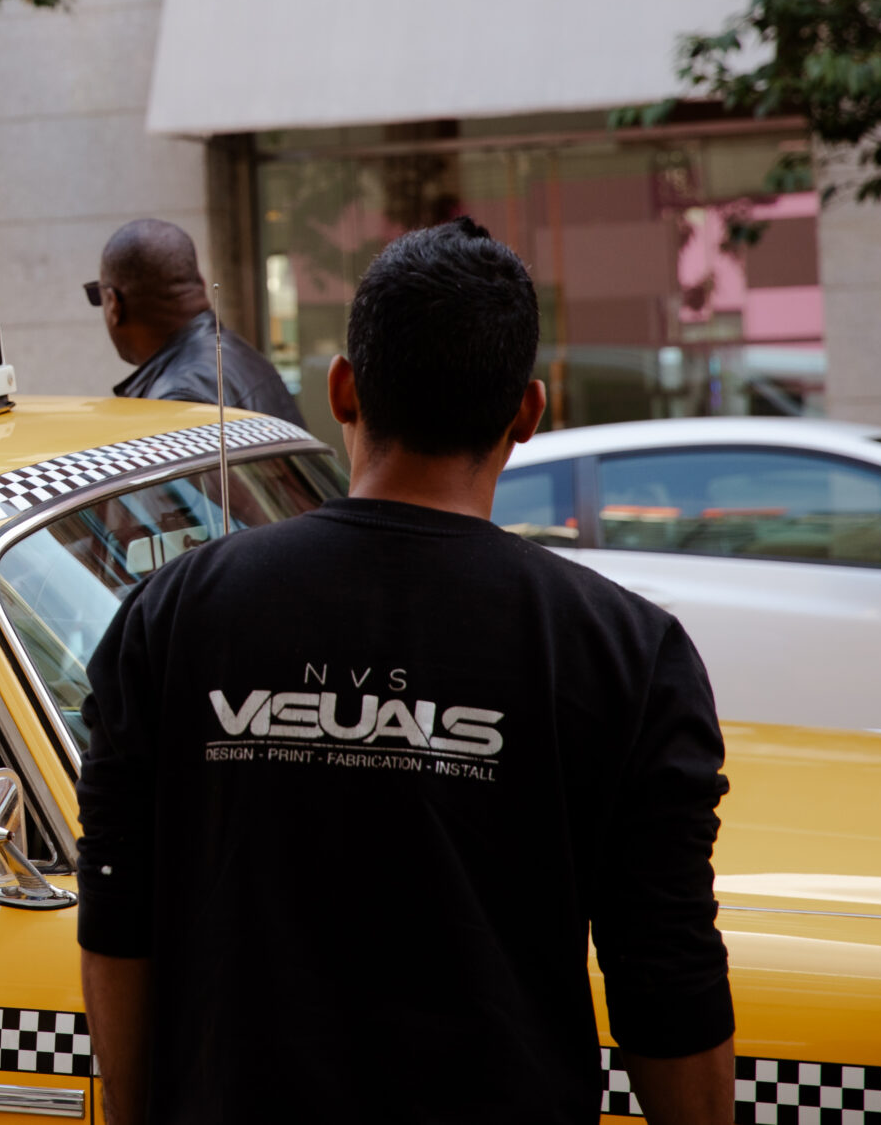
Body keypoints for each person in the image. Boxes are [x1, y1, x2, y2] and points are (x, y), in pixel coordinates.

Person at [75, 219, 734, 1125]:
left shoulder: (172, 617)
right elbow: (670, 981)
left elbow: (117, 913)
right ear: (529, 413)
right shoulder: (624, 654)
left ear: (343, 387)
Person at [90, 219, 303, 426]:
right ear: (201, 283)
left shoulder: (179, 401)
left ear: (113, 303)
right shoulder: (245, 357)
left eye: (96, 295)